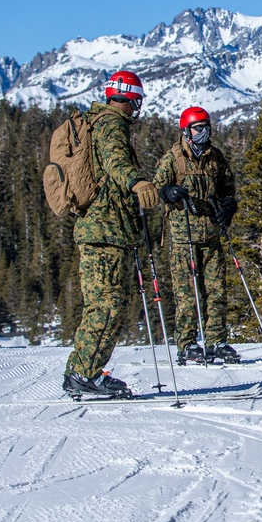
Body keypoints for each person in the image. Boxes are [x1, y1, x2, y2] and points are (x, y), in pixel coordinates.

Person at [63, 70, 160, 398]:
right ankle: (84, 372)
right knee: (108, 303)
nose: (137, 106)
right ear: (130, 97)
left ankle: (82, 369)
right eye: (138, 100)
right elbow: (116, 163)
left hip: (102, 229)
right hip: (106, 230)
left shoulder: (98, 122)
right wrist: (138, 182)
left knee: (103, 303)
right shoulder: (110, 123)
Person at [153, 106, 240, 365]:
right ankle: (187, 343)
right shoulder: (173, 158)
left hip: (211, 234)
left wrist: (228, 208)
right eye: (198, 128)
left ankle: (216, 341)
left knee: (216, 291)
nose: (204, 133)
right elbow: (157, 187)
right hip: (184, 238)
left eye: (207, 127)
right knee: (186, 294)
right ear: (186, 131)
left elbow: (228, 189)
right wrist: (168, 192)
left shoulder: (216, 158)